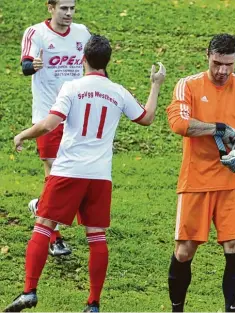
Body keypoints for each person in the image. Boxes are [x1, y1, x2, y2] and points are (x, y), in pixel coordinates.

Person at [5, 35, 166, 312]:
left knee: (43, 224)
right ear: (108, 61)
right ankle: (93, 304)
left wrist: (23, 135)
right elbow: (147, 118)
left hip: (68, 170)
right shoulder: (118, 91)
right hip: (100, 175)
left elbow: (49, 124)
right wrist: (156, 85)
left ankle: (29, 291)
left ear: (83, 59)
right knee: (97, 236)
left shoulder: (73, 87)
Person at [166, 33, 235, 312]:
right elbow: (178, 123)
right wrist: (219, 128)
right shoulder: (188, 85)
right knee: (184, 250)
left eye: (229, 64)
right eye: (217, 63)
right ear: (207, 56)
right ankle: (177, 309)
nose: (222, 71)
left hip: (234, 183)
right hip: (196, 181)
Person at [20, 0, 91, 256]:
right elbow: (25, 65)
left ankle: (41, 206)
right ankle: (55, 237)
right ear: (50, 8)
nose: (69, 13)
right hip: (48, 115)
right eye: (64, 8)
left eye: (72, 8)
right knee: (54, 174)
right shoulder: (36, 33)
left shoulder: (83, 34)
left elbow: (92, 66)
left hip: (76, 115)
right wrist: (33, 66)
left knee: (74, 174)